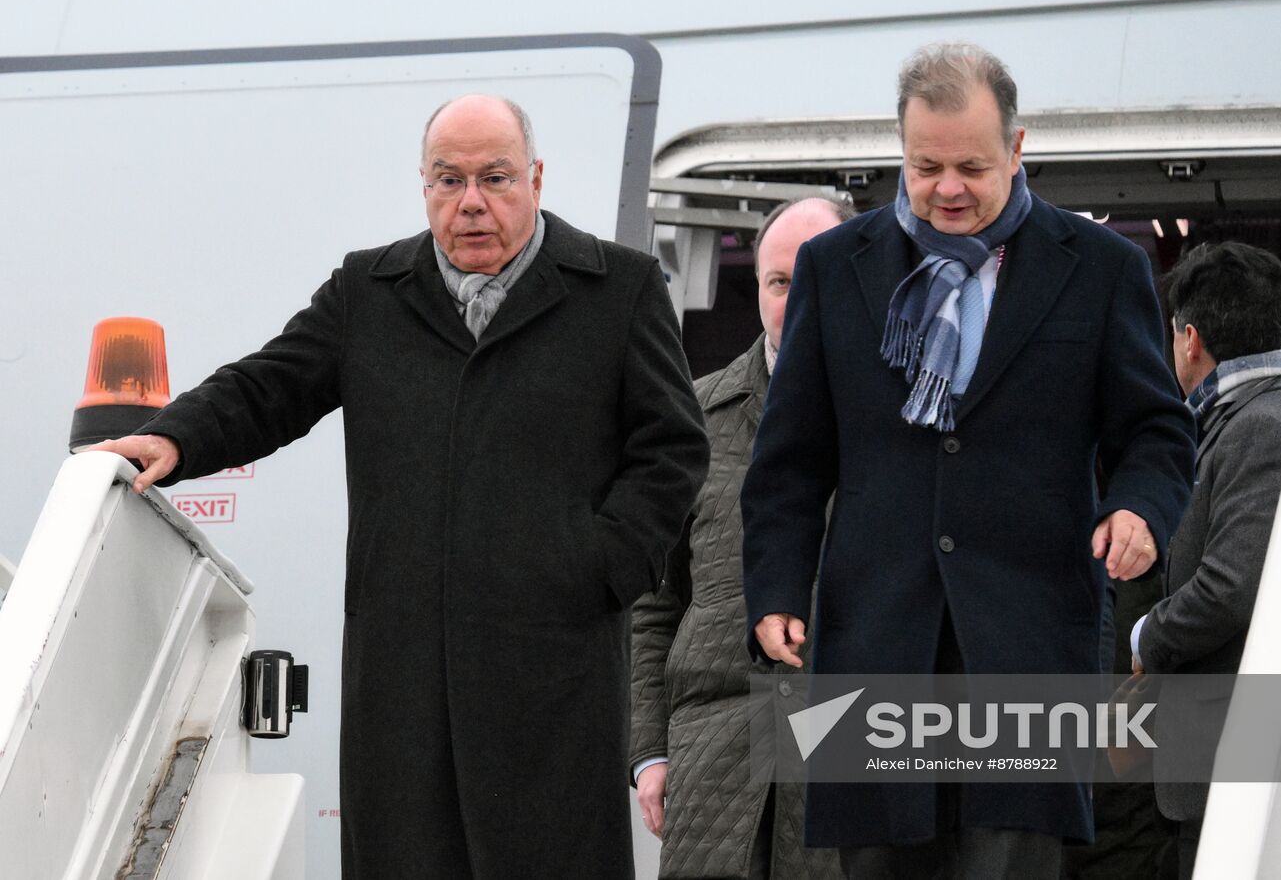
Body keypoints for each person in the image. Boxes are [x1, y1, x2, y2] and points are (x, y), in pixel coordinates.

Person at [93, 94, 709, 879]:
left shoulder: (617, 289)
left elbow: (675, 448)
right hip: (404, 674)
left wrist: (598, 566)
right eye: (447, 180)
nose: (471, 202)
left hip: (552, 673)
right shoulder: (368, 292)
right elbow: (268, 387)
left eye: (495, 177)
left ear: (537, 177)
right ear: (423, 186)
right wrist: (175, 435)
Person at [741, 43, 1197, 879]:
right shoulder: (832, 267)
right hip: (874, 637)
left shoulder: (1102, 269)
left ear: (1018, 149)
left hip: (1028, 638)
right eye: (926, 166)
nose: (948, 187)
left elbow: (1158, 432)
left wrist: (1139, 508)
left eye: (971, 166)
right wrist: (774, 588)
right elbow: (790, 462)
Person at [630, 197, 851, 880]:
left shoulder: (909, 419)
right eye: (780, 281)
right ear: (756, 290)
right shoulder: (693, 417)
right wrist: (648, 751)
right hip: (715, 754)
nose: (796, 299)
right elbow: (652, 600)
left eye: (816, 279)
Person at [1131, 241, 1281, 879]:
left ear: (1190, 339)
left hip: (1233, 756)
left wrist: (1147, 635)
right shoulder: (1270, 415)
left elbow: (1229, 585)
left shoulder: (1261, 428)